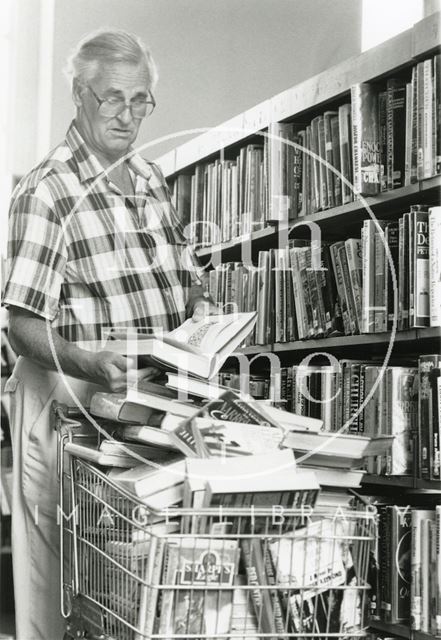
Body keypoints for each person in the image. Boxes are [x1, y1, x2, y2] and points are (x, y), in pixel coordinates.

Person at [2, 28, 216, 640]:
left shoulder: (150, 180)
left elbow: (185, 280)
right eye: (112, 99)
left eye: (141, 100)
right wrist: (92, 363)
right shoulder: (47, 189)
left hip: (148, 412)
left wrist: (204, 311)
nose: (128, 116)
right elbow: (21, 324)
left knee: (133, 600)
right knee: (60, 597)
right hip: (68, 412)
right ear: (79, 94)